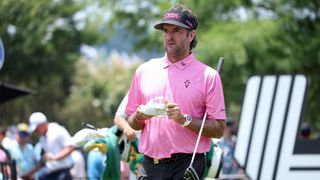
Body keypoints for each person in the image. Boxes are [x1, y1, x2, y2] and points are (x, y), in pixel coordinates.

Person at [125, 3, 226, 179]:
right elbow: (132, 122)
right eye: (166, 31)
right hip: (149, 164)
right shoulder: (144, 71)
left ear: (191, 35)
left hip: (186, 163)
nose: (169, 36)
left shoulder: (208, 76)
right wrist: (140, 116)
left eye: (176, 31)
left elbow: (218, 129)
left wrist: (184, 119)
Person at [22, 112, 74, 180]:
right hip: (51, 173)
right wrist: (29, 174)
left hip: (63, 172)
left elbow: (70, 148)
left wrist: (54, 157)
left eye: (36, 128)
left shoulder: (57, 130)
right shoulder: (42, 139)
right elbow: (43, 160)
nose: (36, 131)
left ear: (42, 124)